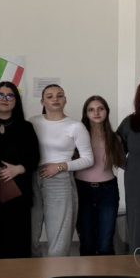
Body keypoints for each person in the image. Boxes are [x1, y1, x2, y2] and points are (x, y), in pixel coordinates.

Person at [29, 84, 93, 257]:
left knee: (59, 237)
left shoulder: (75, 126)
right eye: (49, 96)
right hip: (32, 178)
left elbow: (88, 159)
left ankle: (56, 273)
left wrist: (60, 166)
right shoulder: (33, 122)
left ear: (65, 100)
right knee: (30, 234)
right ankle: (31, 273)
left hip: (59, 180)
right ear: (42, 101)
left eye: (60, 95)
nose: (55, 99)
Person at [0, 81, 40, 259]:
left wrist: (19, 169)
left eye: (10, 95)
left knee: (17, 244)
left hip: (18, 193)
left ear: (16, 100)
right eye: (0, 95)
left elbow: (35, 157)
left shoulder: (25, 127)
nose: (4, 99)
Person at [75, 96, 124, 255]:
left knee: (105, 243)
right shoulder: (78, 136)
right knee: (87, 241)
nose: (96, 113)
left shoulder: (115, 138)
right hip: (82, 190)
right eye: (91, 109)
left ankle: (107, 272)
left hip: (108, 191)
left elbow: (123, 163)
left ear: (107, 111)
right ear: (86, 113)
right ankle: (87, 272)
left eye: (100, 109)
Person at [117, 78, 140, 254]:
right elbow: (115, 150)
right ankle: (139, 261)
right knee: (139, 219)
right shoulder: (130, 122)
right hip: (138, 181)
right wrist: (131, 167)